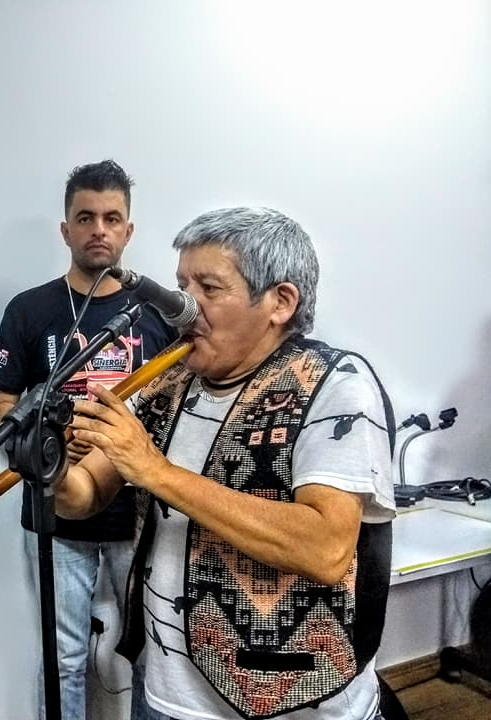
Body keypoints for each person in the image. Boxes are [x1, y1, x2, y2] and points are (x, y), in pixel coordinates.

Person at [53, 206, 396, 720]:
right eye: (181, 287)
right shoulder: (166, 383)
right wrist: (51, 467)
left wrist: (154, 470)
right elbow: (83, 496)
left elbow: (325, 548)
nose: (182, 310)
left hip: (294, 702)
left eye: (208, 289)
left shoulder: (336, 385)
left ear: (280, 302)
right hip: (167, 692)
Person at [0, 159, 177, 719]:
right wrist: (40, 449)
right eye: (86, 217)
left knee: (153, 655)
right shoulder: (30, 309)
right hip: (57, 511)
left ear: (129, 230)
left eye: (112, 218)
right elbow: (2, 404)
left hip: (141, 515)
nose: (99, 229)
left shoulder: (158, 313)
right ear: (65, 229)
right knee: (63, 656)